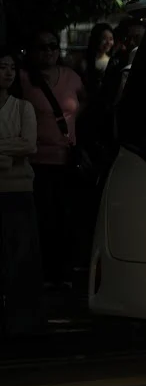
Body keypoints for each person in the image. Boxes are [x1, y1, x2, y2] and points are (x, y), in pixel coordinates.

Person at [19, 28, 89, 287]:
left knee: (66, 217)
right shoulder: (24, 79)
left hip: (66, 159)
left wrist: (70, 123)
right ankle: (45, 272)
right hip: (36, 160)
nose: (48, 52)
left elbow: (85, 100)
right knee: (43, 218)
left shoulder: (70, 76)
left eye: (52, 46)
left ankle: (63, 271)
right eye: (42, 47)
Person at [0, 48, 45, 336]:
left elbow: (29, 145)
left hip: (18, 190)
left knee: (19, 255)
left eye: (11, 68)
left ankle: (22, 320)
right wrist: (8, 148)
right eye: (2, 67)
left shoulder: (22, 107)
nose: (8, 72)